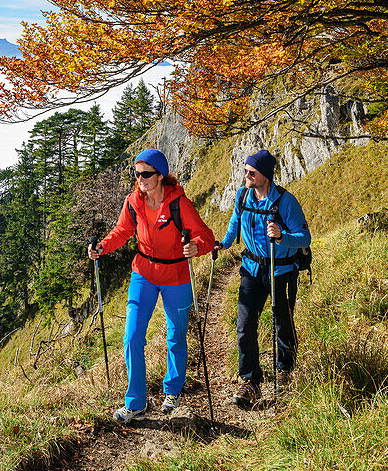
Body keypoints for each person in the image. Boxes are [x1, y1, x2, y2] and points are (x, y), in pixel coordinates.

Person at [89, 148, 215, 422]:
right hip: (143, 273)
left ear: (160, 175)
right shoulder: (133, 202)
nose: (140, 179)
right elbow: (122, 232)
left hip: (177, 276)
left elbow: (205, 235)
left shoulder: (179, 204)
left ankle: (172, 391)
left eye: (146, 174)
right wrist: (102, 247)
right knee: (132, 336)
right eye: (137, 174)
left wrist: (197, 247)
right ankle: (135, 402)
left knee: (176, 336)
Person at [216, 149, 311, 409]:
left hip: (280, 271)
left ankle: (285, 374)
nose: (246, 175)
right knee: (245, 325)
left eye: (251, 172)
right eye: (245, 170)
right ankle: (250, 382)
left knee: (283, 323)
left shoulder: (286, 202)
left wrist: (281, 236)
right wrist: (223, 245)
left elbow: (305, 238)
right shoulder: (243, 195)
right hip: (251, 269)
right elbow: (235, 223)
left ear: (265, 175)